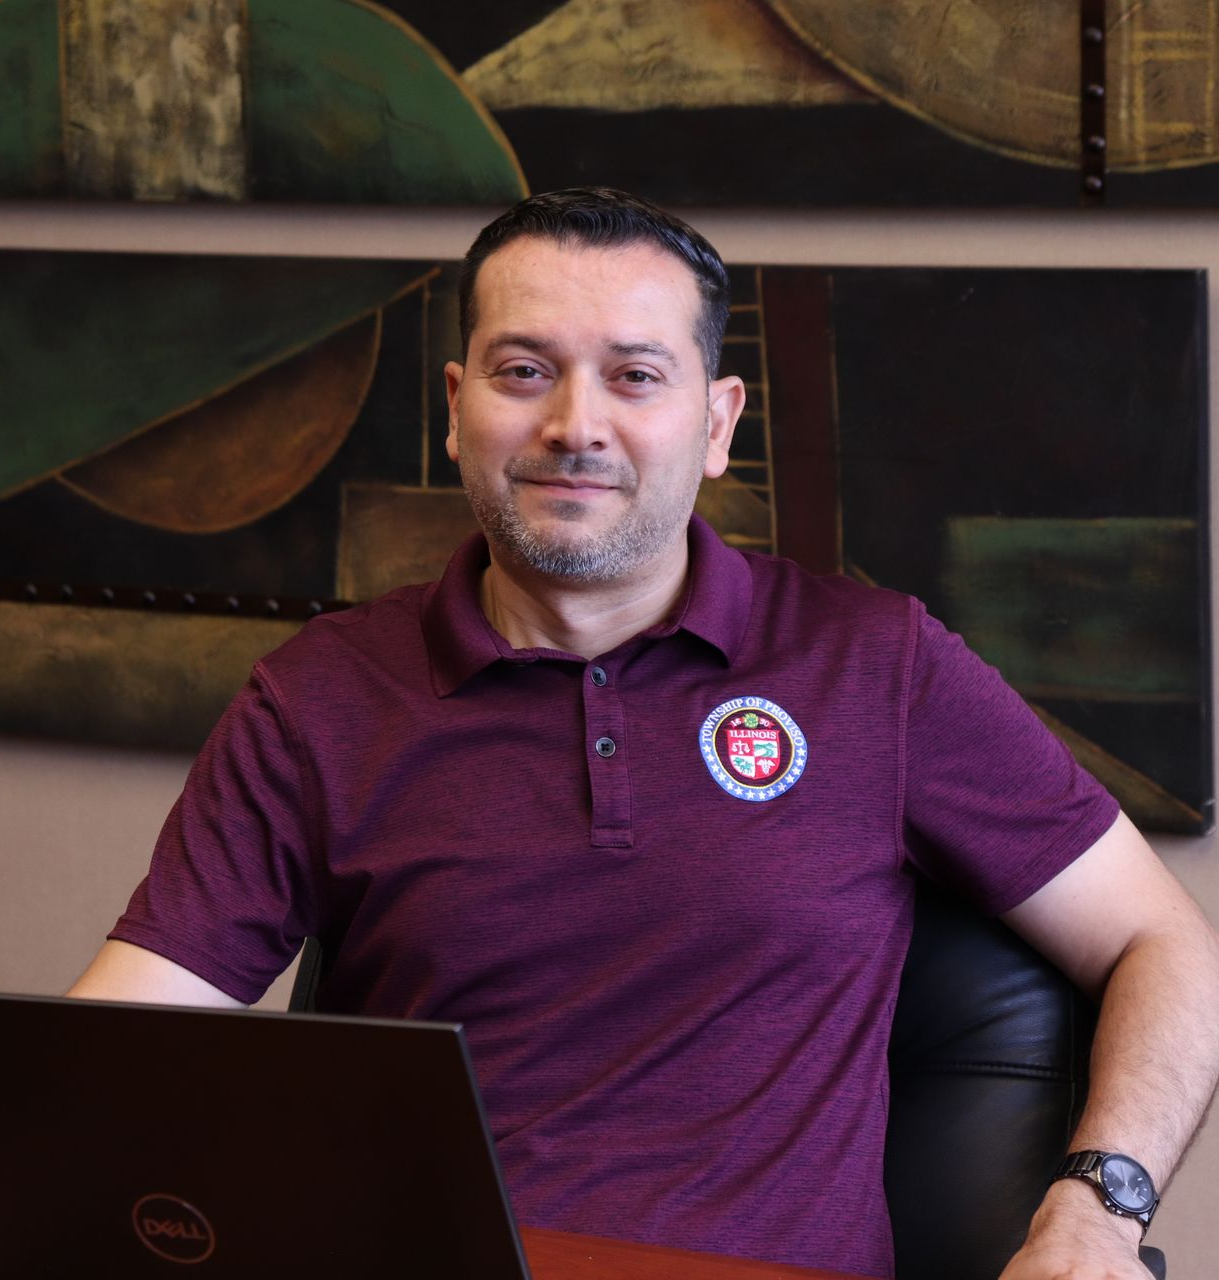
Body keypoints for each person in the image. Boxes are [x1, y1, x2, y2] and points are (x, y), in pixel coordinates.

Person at [69, 187, 1219, 1280]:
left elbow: (1165, 944)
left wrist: (1095, 1213)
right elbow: (112, 1050)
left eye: (634, 375)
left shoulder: (874, 663)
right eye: (525, 372)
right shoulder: (319, 696)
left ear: (715, 422)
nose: (575, 425)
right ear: (457, 409)